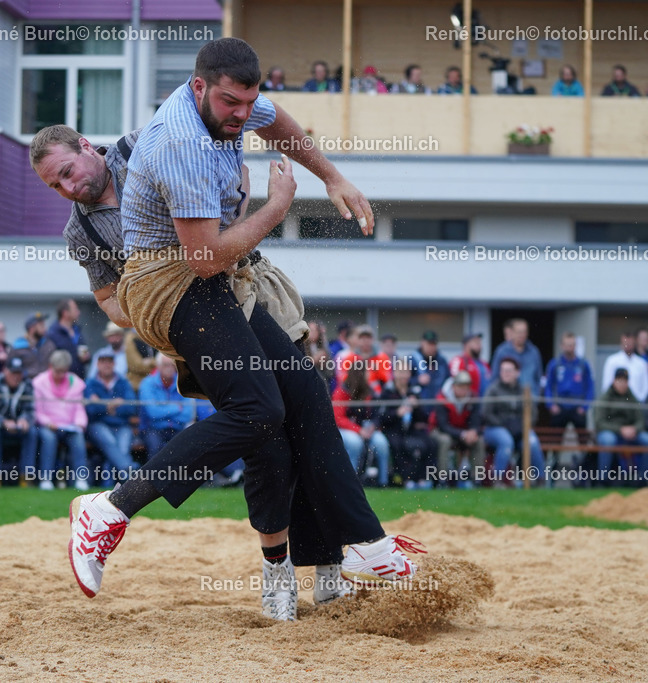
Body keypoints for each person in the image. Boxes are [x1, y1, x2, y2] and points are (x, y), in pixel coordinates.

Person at [68, 38, 422, 609]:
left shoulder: (230, 104)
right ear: (200, 87)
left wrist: (331, 176)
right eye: (231, 103)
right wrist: (279, 209)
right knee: (260, 415)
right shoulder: (182, 142)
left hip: (213, 277)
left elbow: (276, 120)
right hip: (170, 285)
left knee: (303, 395)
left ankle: (363, 542)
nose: (241, 114)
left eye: (246, 102)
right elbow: (204, 259)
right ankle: (107, 509)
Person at [29, 118, 362, 615]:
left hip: (251, 290)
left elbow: (232, 168)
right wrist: (161, 305)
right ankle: (277, 569)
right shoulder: (81, 231)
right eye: (55, 185)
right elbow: (111, 305)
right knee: (265, 437)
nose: (67, 187)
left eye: (67, 171)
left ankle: (328, 566)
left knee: (306, 425)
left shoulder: (143, 145)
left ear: (85, 146)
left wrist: (233, 221)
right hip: (199, 323)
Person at [482, 358, 545, 484]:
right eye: (503, 370)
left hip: (519, 430)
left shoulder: (524, 390)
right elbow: (485, 413)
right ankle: (498, 480)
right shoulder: (493, 390)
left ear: (517, 373)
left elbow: (533, 414)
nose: (506, 373)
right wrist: (503, 425)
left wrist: (523, 427)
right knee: (506, 441)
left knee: (532, 442)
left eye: (509, 370)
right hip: (496, 428)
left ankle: (541, 480)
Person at [34, 349, 89, 491]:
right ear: (50, 366)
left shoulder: (75, 382)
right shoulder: (39, 382)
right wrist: (47, 423)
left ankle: (81, 479)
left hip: (70, 426)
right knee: (49, 439)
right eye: (57, 371)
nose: (60, 375)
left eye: (63, 371)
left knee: (78, 437)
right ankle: (46, 479)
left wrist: (80, 423)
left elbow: (78, 408)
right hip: (48, 426)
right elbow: (37, 410)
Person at [594, 368, 648, 486]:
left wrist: (634, 429)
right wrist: (620, 430)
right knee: (608, 440)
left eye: (625, 381)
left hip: (631, 432)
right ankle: (603, 479)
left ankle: (641, 479)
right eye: (619, 380)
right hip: (610, 431)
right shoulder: (604, 398)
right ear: (614, 381)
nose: (622, 384)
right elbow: (599, 422)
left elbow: (641, 420)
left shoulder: (632, 398)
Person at [378, 366, 437, 489]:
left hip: (411, 429)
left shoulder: (414, 391)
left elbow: (424, 418)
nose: (404, 375)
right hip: (393, 429)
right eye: (401, 372)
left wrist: (417, 407)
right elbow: (381, 417)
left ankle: (425, 478)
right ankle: (405, 479)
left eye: (406, 372)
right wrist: (397, 413)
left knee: (430, 443)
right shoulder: (388, 391)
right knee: (398, 444)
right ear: (395, 373)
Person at [0, 355, 37, 486]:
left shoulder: (27, 384)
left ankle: (26, 477)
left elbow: (30, 410)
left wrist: (24, 420)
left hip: (18, 427)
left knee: (32, 432)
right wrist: (3, 422)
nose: (16, 376)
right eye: (13, 373)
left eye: (19, 373)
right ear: (5, 371)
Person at [84, 350, 138, 483]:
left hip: (121, 424)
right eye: (103, 361)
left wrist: (102, 405)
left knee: (121, 448)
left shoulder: (123, 382)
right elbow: (90, 409)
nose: (106, 365)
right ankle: (131, 473)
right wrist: (111, 405)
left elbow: (131, 407)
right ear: (97, 364)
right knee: (110, 443)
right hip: (98, 425)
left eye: (109, 361)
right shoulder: (90, 383)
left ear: (114, 363)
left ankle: (108, 484)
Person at [333, 365, 390, 487]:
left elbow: (376, 414)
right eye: (367, 373)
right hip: (346, 429)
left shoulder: (369, 392)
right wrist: (358, 430)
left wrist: (373, 426)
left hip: (366, 429)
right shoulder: (342, 391)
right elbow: (338, 418)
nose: (369, 375)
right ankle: (351, 480)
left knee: (381, 442)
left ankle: (383, 482)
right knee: (355, 443)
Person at [430, 371, 485, 487]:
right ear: (453, 386)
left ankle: (477, 479)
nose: (463, 390)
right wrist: (463, 434)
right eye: (460, 386)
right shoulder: (442, 398)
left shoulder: (473, 398)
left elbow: (477, 421)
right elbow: (443, 426)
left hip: (461, 432)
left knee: (479, 441)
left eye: (466, 387)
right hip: (439, 431)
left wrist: (473, 432)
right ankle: (442, 479)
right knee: (445, 441)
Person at [138, 354, 196, 459]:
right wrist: (177, 408)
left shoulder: (183, 382)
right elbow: (153, 413)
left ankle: (180, 475)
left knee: (185, 449)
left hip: (177, 428)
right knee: (155, 449)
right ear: (158, 366)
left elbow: (188, 414)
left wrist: (164, 412)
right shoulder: (147, 383)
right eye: (166, 365)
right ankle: (153, 475)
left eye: (172, 365)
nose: (170, 368)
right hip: (152, 428)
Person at [544, 332, 594, 429]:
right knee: (555, 438)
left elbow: (590, 386)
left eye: (572, 345)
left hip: (578, 406)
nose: (569, 348)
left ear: (575, 345)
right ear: (561, 345)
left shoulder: (584, 364)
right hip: (559, 406)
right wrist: (551, 405)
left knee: (583, 439)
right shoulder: (554, 364)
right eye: (567, 345)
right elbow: (548, 386)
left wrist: (585, 407)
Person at [490, 319, 543, 394]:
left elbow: (538, 377)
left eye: (524, 332)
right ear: (512, 333)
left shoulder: (534, 352)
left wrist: (536, 395)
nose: (522, 335)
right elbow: (495, 377)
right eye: (519, 332)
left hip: (529, 398)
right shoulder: (502, 351)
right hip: (507, 399)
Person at [601, 331, 648, 402]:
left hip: (636, 404)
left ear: (634, 343)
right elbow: (606, 385)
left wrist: (640, 402)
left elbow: (646, 387)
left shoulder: (641, 363)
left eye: (630, 342)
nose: (628, 345)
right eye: (625, 342)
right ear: (621, 343)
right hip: (616, 403)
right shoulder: (612, 361)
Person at [47, 299, 89, 378]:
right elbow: (49, 360)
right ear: (65, 313)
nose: (79, 312)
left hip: (79, 381)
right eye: (75, 309)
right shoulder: (53, 333)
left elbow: (84, 354)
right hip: (60, 382)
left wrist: (87, 358)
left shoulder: (77, 330)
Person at [409, 330, 450, 400]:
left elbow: (448, 381)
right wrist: (417, 380)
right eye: (429, 343)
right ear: (422, 343)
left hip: (438, 404)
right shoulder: (412, 360)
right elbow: (402, 382)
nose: (431, 347)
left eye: (434, 344)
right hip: (419, 406)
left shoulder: (442, 361)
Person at [12, 312, 56, 377]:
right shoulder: (18, 347)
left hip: (47, 385)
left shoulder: (49, 345)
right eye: (41, 325)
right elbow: (13, 371)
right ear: (32, 328)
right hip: (27, 385)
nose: (45, 328)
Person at [449, 332, 490, 396]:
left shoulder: (484, 363)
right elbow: (455, 383)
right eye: (476, 342)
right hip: (469, 403)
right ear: (466, 345)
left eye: (479, 343)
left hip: (485, 402)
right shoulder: (459, 361)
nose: (479, 345)